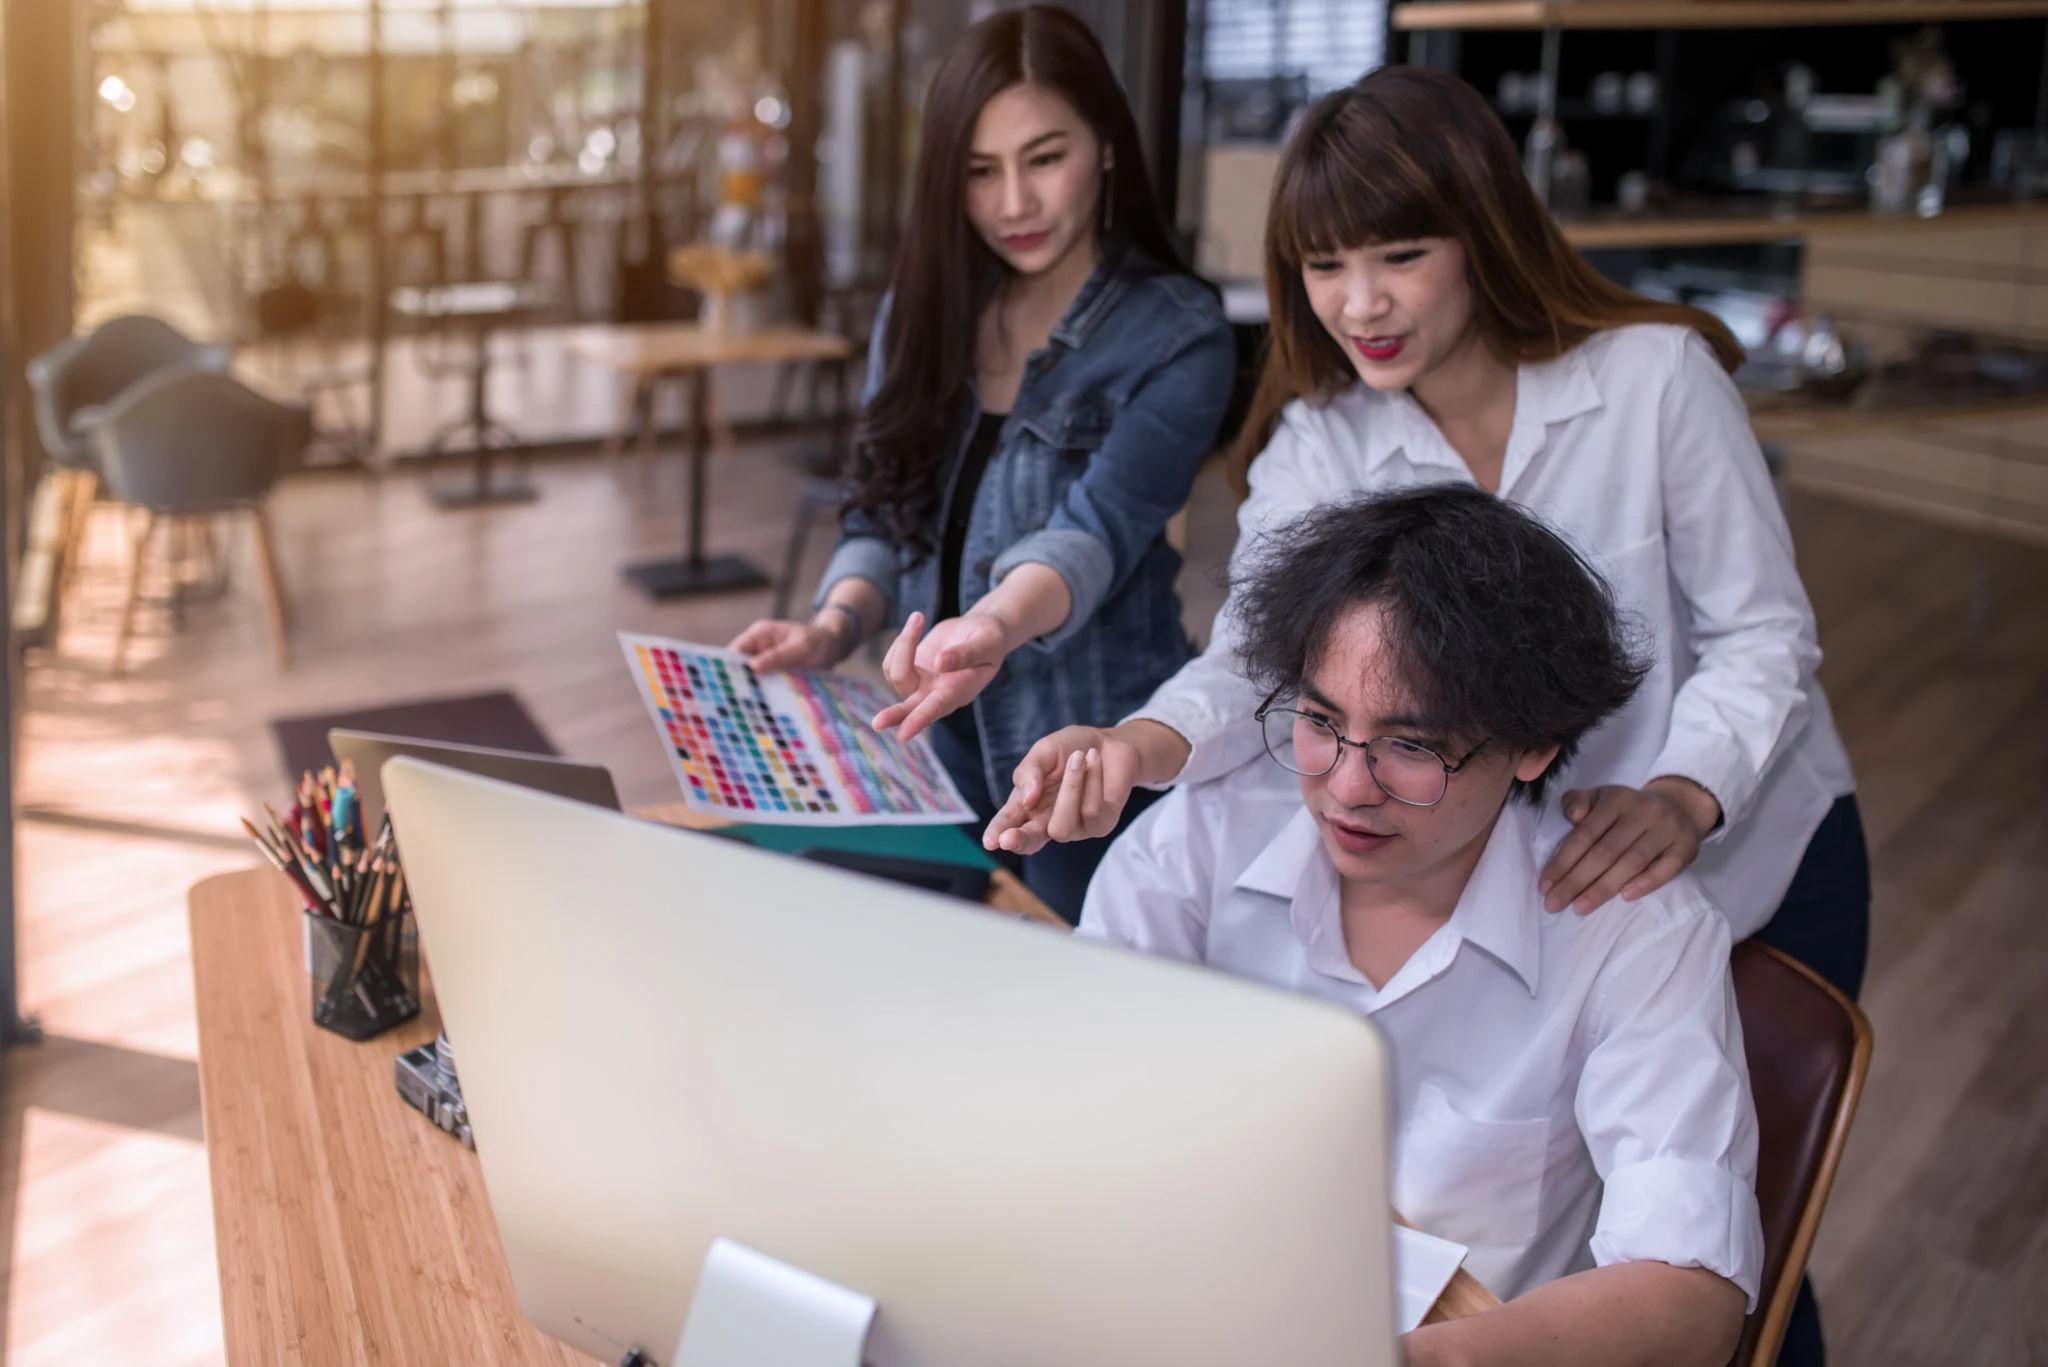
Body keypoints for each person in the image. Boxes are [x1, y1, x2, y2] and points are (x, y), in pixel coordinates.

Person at [988, 65, 1867, 995]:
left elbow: (1762, 633)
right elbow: (1255, 660)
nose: (1359, 304)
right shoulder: (1324, 443)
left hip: (1753, 843)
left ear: (1482, 237)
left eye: (1399, 256)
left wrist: (1687, 796)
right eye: (1326, 266)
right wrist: (1136, 746)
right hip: (1559, 888)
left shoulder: (1659, 380)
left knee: (1737, 1137)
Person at [1079, 487, 1761, 1367]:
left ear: (1534, 745)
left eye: (1414, 747)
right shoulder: (1207, 832)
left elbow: (1694, 1296)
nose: (1348, 786)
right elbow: (1076, 1080)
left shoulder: (1635, 933)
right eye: (1321, 722)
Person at [730, 4, 1236, 923]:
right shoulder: (927, 309)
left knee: (1076, 1013)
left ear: (1108, 146)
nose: (1015, 203)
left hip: (1085, 763)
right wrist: (832, 626)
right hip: (934, 753)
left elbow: (1095, 533)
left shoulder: (1178, 333)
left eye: (1045, 158)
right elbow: (886, 507)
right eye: (980, 172)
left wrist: (991, 628)